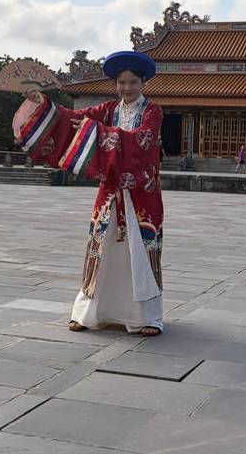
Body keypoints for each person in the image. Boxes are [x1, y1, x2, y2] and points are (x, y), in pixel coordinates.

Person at [13, 51, 164, 337]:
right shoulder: (107, 109)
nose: (127, 88)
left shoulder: (153, 112)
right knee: (100, 249)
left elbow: (142, 141)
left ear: (143, 83)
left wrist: (95, 132)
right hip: (110, 191)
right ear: (115, 84)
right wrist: (41, 103)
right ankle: (88, 313)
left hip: (141, 193)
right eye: (121, 82)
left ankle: (146, 317)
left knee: (140, 251)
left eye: (132, 82)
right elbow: (70, 119)